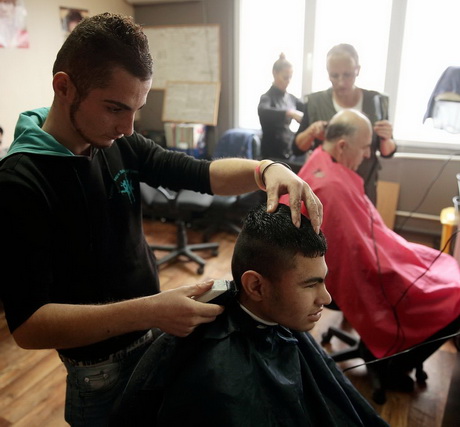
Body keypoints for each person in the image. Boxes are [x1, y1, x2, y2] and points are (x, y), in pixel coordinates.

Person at [0, 13, 323, 426]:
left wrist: (266, 169)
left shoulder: (118, 140)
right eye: (115, 108)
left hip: (152, 336)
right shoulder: (21, 182)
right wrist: (151, 311)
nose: (128, 126)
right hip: (99, 370)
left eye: (137, 109)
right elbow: (30, 326)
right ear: (64, 87)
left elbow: (199, 173)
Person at [111, 204, 389, 427]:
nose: (326, 298)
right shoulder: (217, 379)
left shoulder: (271, 315)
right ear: (256, 286)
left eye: (323, 280)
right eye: (310, 284)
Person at [285, 109, 460, 391]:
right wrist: (400, 267)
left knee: (447, 271)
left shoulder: (322, 160)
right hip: (370, 267)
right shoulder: (329, 186)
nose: (368, 155)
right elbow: (356, 259)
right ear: (343, 146)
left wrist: (399, 252)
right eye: (365, 147)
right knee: (454, 295)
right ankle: (393, 367)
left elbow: (364, 236)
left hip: (379, 251)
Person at [293, 43, 397, 204]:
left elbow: (386, 152)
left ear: (358, 70)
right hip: (327, 190)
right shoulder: (315, 102)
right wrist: (311, 132)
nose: (341, 82)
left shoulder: (375, 102)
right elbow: (296, 148)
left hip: (364, 186)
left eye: (347, 75)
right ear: (328, 73)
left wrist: (387, 138)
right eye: (334, 76)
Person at [258, 53, 304, 161]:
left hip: (288, 152)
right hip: (271, 155)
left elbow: (308, 109)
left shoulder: (291, 98)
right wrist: (290, 113)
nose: (288, 81)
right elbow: (264, 111)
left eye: (290, 77)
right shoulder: (266, 98)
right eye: (285, 77)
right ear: (275, 73)